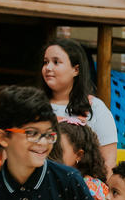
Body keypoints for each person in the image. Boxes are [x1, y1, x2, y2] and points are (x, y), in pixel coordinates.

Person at [40, 37, 118, 172]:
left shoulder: (95, 108)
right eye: (46, 62)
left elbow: (108, 161)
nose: (48, 68)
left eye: (56, 62)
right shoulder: (34, 106)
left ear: (75, 70)